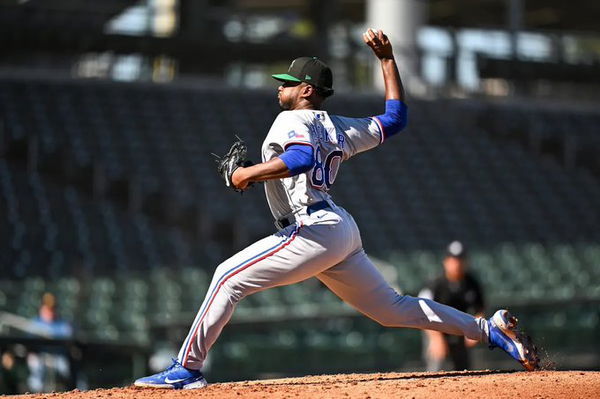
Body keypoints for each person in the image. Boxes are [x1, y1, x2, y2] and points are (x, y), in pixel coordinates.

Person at [134, 29, 538, 389]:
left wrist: (247, 174)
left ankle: (186, 368)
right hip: (338, 229)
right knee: (392, 309)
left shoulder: (291, 119)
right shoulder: (339, 125)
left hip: (311, 227)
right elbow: (395, 119)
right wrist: (387, 61)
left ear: (307, 90)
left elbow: (301, 157)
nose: (281, 88)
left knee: (226, 277)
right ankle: (490, 330)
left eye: (289, 83)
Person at [419, 241, 485, 371]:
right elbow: (423, 312)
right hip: (437, 331)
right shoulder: (436, 284)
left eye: (460, 259)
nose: (457, 263)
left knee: (464, 370)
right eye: (453, 259)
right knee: (436, 369)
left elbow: (479, 309)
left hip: (460, 332)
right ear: (446, 261)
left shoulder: (472, 283)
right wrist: (436, 339)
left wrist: (475, 330)